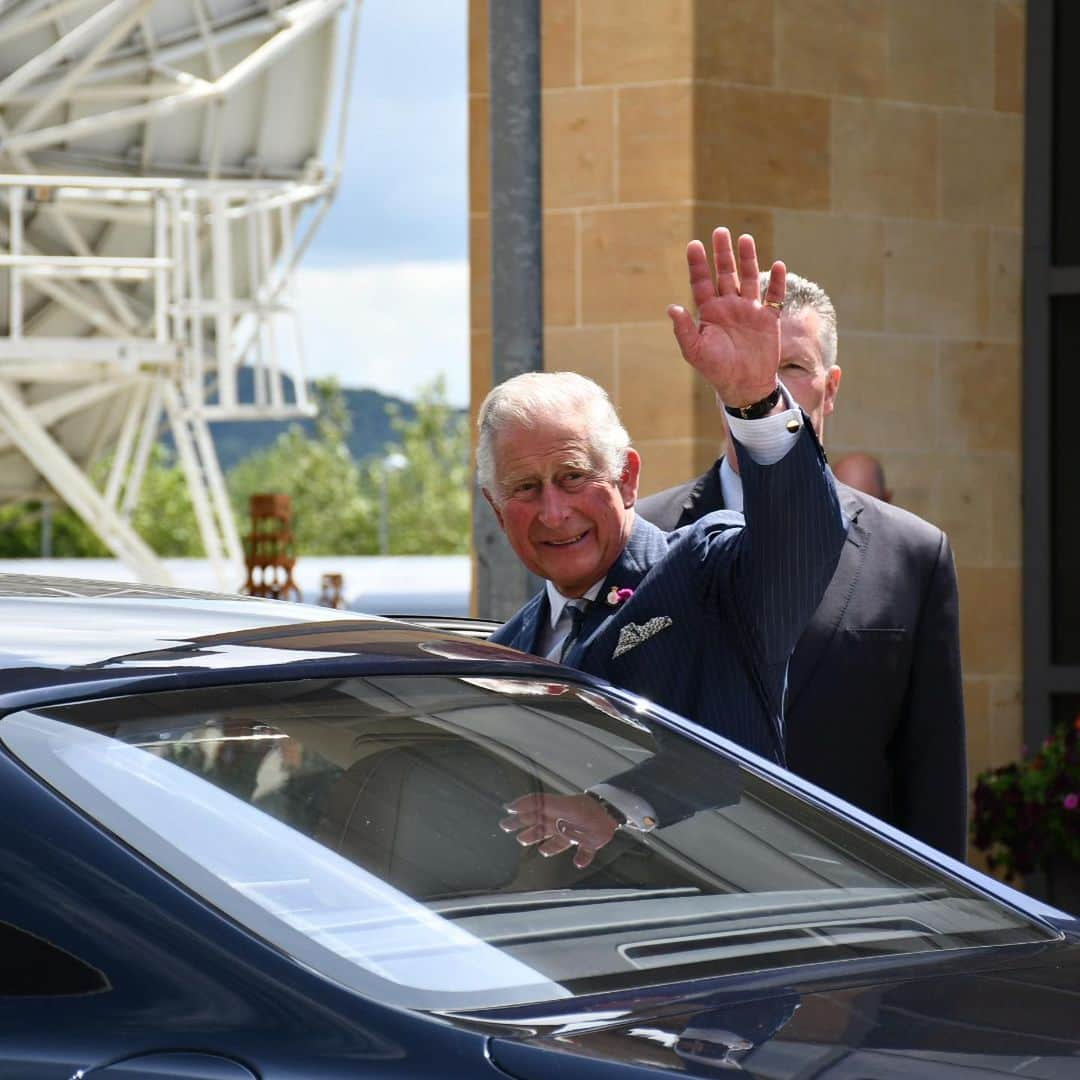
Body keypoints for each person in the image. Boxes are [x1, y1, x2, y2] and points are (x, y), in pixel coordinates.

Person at [482, 228, 846, 867]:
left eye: (573, 477)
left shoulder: (704, 574)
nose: (553, 510)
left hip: (711, 942)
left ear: (626, 478)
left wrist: (755, 402)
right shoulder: (497, 660)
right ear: (494, 508)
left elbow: (799, 547)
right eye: (525, 488)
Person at [637, 272, 967, 860]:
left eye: (792, 367)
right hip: (680, 907)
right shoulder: (647, 538)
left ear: (830, 388)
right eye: (750, 360)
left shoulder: (914, 556)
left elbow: (933, 777)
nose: (768, 385)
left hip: (855, 916)